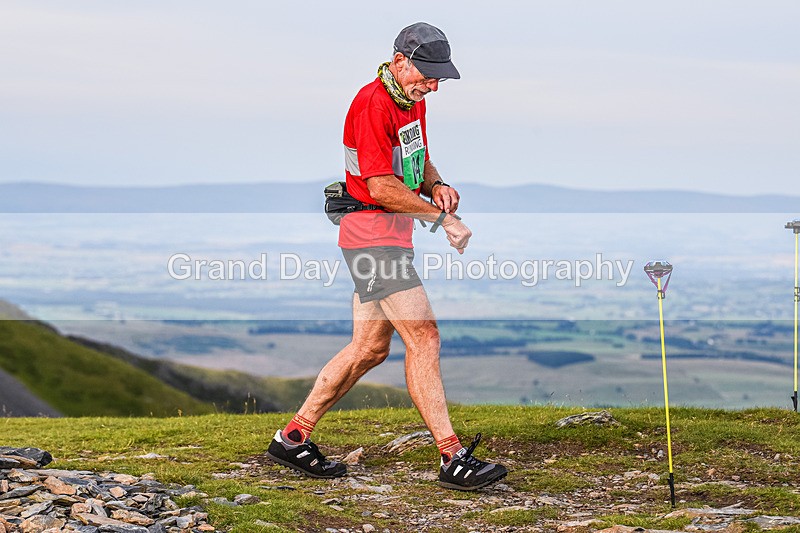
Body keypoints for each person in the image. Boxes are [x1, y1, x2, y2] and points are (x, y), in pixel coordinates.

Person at [267, 22, 508, 491]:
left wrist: (436, 184)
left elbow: (418, 161)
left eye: (440, 77)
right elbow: (379, 186)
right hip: (371, 236)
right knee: (425, 337)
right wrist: (443, 221)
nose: (433, 85)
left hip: (389, 234)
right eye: (428, 74)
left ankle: (293, 437)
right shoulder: (372, 104)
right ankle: (452, 457)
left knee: (369, 349)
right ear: (400, 61)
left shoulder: (409, 101)